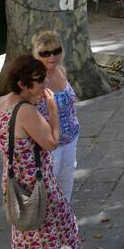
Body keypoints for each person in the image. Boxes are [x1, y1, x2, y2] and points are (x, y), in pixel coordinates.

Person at [0, 54, 110, 249]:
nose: (44, 86)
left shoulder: (0, 103)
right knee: (66, 233)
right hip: (39, 187)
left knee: (25, 242)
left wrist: (6, 145)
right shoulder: (26, 113)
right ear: (22, 84)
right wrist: (53, 110)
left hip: (12, 186)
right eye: (39, 81)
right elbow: (53, 142)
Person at [30, 31, 81, 204]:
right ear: (37, 55)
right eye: (45, 53)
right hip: (50, 143)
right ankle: (50, 223)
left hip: (71, 137)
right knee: (50, 184)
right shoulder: (35, 80)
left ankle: (65, 216)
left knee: (66, 180)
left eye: (55, 51)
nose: (51, 57)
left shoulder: (61, 70)